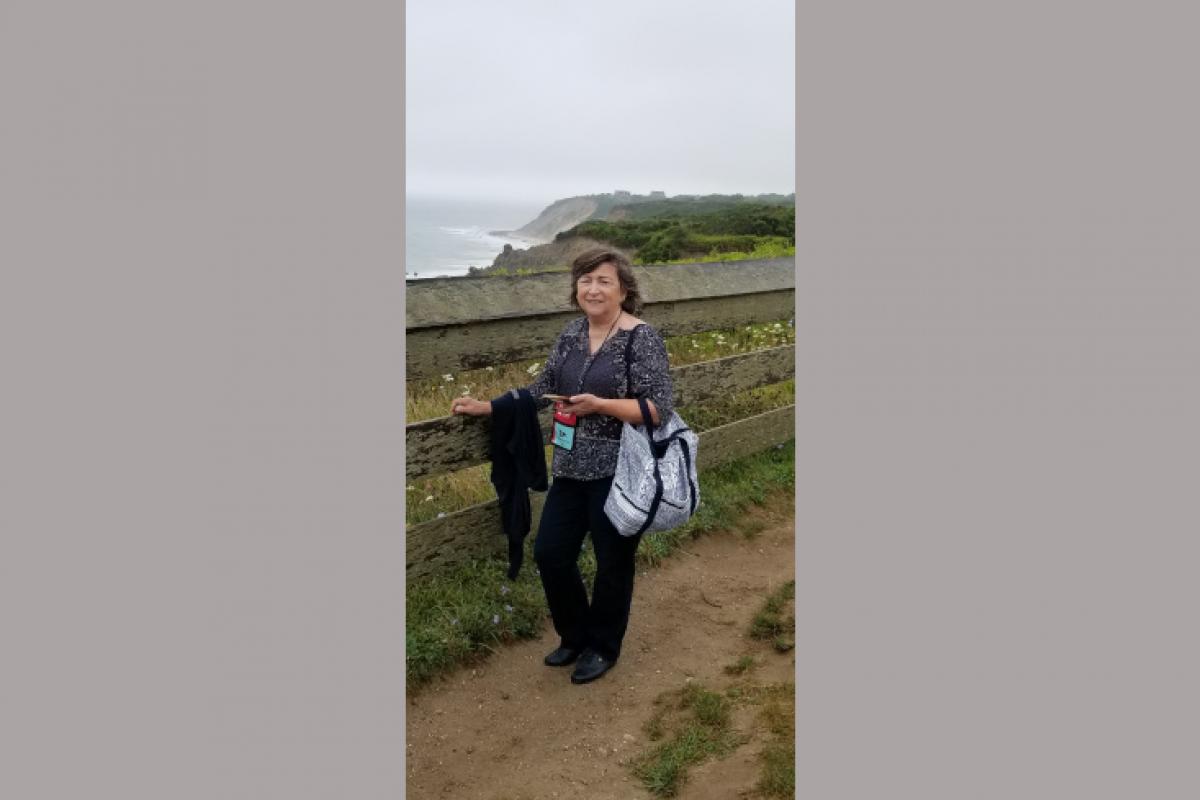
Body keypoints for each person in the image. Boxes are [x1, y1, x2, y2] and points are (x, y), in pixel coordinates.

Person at [451, 246, 675, 684]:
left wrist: (602, 405)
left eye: (604, 281)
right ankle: (574, 636)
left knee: (613, 562)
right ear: (575, 289)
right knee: (550, 553)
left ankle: (603, 646)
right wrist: (490, 407)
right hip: (570, 467)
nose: (593, 289)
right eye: (585, 280)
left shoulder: (640, 337)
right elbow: (545, 387)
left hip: (620, 473)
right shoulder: (571, 334)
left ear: (624, 289)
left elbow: (657, 408)